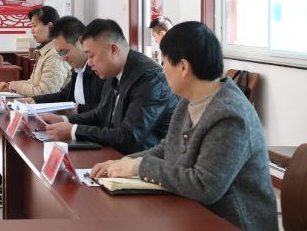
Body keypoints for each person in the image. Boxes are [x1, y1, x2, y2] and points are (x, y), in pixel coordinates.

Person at [91, 22, 277, 231]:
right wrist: (126, 161)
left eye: (164, 63)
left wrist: (139, 167)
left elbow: (204, 186)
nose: (162, 71)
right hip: (192, 212)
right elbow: (168, 147)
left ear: (183, 67)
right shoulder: (188, 101)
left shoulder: (230, 116)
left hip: (232, 223)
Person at [38, 18, 179, 155]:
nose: (89, 63)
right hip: (115, 155)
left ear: (113, 50)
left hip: (142, 161)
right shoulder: (114, 70)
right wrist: (64, 120)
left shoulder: (149, 79)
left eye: (91, 56)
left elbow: (129, 138)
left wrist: (73, 131)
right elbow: (101, 113)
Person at [14, 16, 105, 114]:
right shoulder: (78, 70)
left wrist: (78, 110)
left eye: (65, 52)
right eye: (60, 54)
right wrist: (35, 100)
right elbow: (64, 95)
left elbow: (105, 110)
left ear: (81, 42)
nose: (63, 58)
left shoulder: (101, 72)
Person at [0, 6, 70, 96]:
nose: (32, 31)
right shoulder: (45, 52)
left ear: (50, 27)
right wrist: (10, 85)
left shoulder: (54, 55)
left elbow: (46, 93)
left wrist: (17, 87)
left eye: (34, 26)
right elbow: (33, 83)